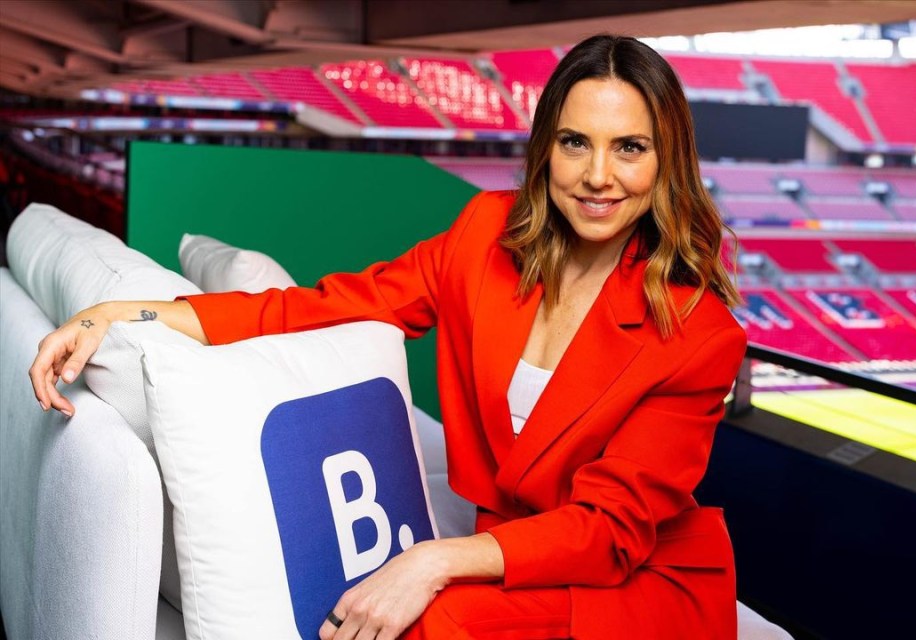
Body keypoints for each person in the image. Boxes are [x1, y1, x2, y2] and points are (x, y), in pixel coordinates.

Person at [31, 35, 746, 640]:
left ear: (665, 161)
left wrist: (433, 560)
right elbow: (327, 308)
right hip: (515, 559)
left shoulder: (699, 334)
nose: (598, 176)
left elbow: (612, 529)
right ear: (545, 151)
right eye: (574, 143)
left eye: (629, 148)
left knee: (432, 619)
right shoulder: (482, 238)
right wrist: (125, 314)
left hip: (638, 583)